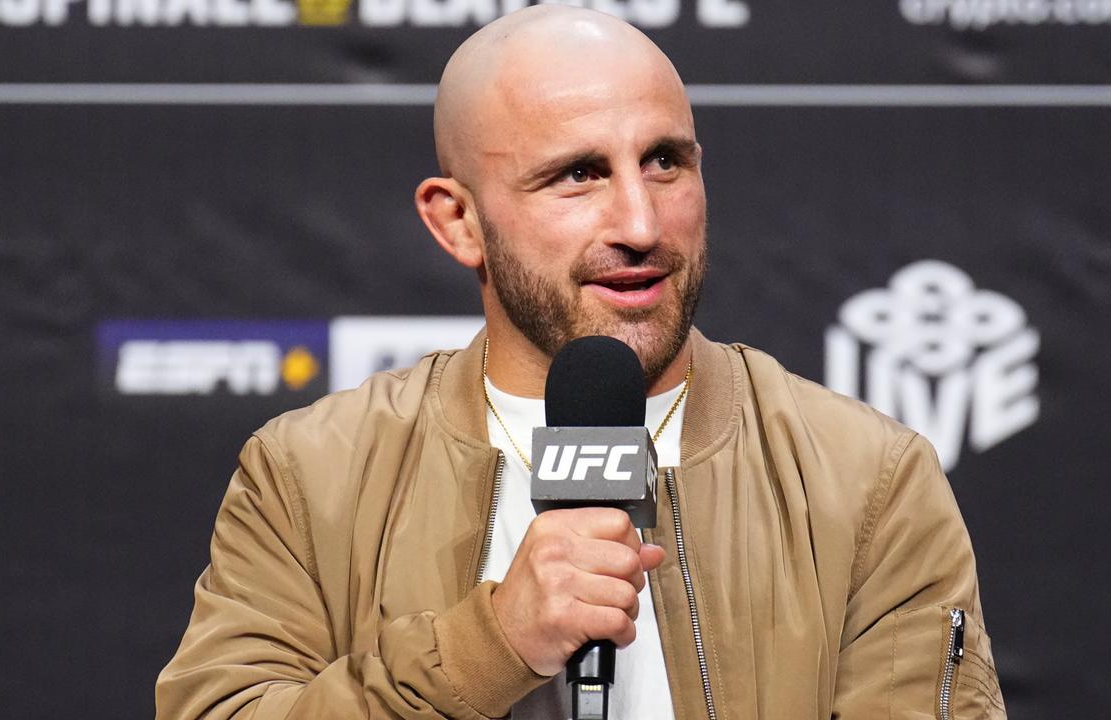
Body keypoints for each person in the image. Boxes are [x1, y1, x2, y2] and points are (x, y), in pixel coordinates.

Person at [156, 6, 1006, 719]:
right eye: (577, 175)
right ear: (458, 223)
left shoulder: (866, 478)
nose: (641, 222)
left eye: (665, 161)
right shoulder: (310, 473)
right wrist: (491, 644)